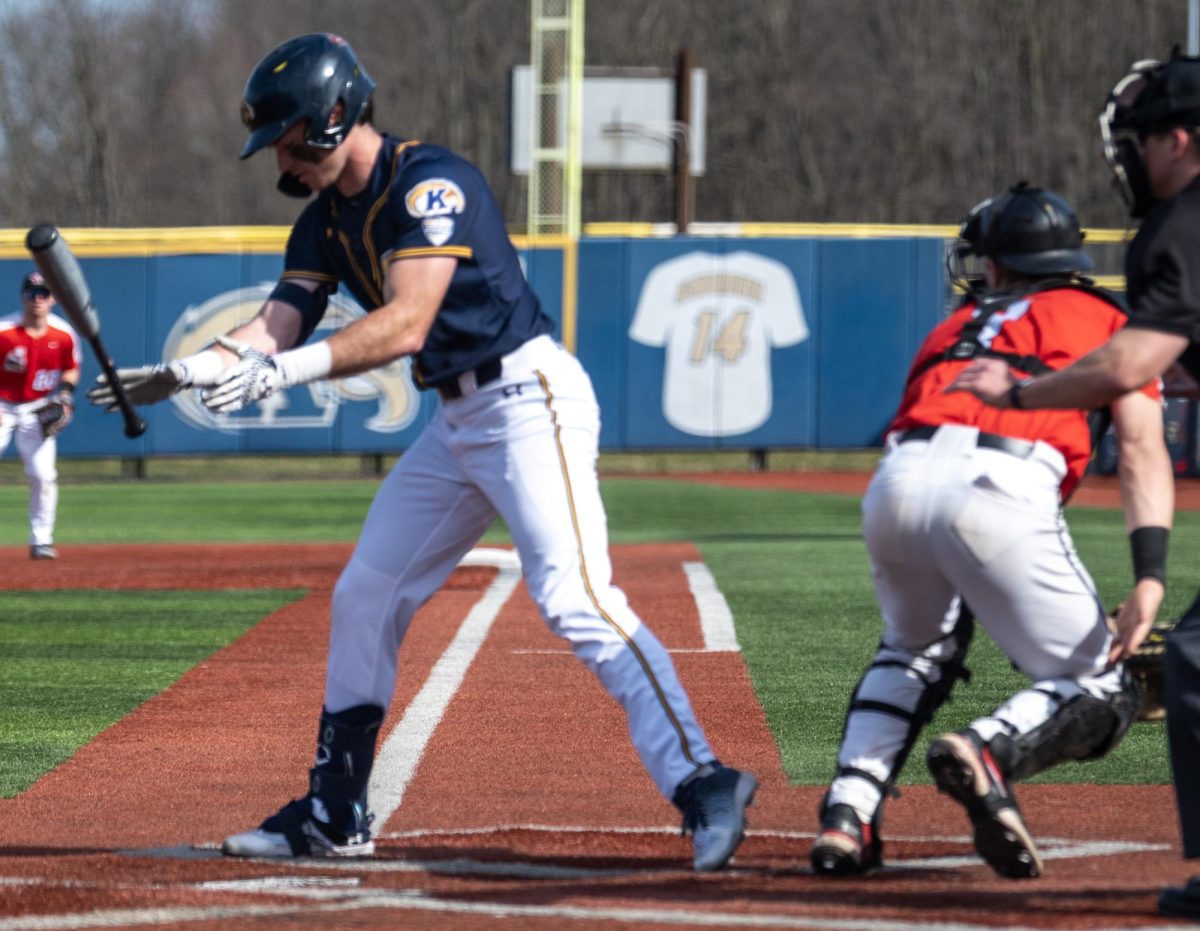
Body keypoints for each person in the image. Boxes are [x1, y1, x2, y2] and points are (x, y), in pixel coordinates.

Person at [86, 33, 756, 869]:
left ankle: (702, 776)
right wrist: (189, 368)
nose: (282, 162)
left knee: (573, 593)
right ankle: (335, 813)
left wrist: (274, 375)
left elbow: (405, 321)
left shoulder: (430, 181)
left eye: (291, 140)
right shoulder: (322, 222)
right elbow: (275, 323)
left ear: (334, 119)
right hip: (458, 421)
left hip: (527, 397)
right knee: (367, 593)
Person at [809, 182, 1172, 881]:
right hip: (1003, 484)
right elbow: (1139, 447)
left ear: (999, 265)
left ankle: (847, 815)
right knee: (1102, 679)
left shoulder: (954, 325)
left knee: (913, 649)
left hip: (896, 481)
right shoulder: (1108, 320)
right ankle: (989, 749)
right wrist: (1149, 570)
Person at [947, 51, 1200, 916]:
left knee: (1195, 660)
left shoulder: (1180, 226)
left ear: (1179, 139)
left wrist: (1021, 391)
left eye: (1137, 140)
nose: (1125, 156)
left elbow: (1128, 364)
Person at [0, 271, 79, 560]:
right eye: (32, 293)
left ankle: (41, 540)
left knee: (43, 475)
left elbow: (71, 368)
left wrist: (66, 394)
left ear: (53, 298)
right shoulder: (4, 331)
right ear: (23, 296)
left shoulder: (63, 334)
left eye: (43, 293)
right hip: (2, 405)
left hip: (38, 407)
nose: (37, 299)